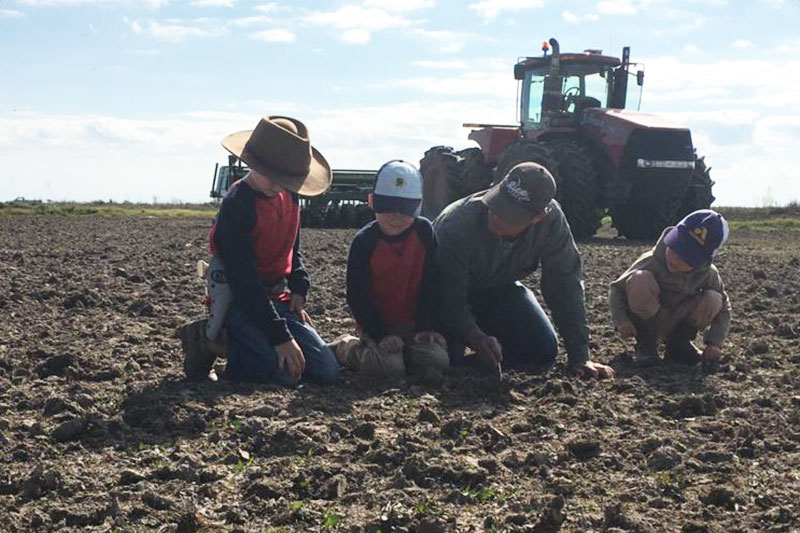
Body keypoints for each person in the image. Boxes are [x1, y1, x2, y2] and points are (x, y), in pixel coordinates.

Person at [179, 115, 339, 385]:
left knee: (326, 371)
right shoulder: (237, 205)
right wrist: (281, 337)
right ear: (252, 163)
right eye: (272, 174)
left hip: (276, 297)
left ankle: (250, 345)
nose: (278, 183)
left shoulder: (290, 196)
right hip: (238, 298)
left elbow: (292, 248)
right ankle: (209, 341)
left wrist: (299, 284)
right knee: (285, 374)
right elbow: (245, 281)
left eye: (285, 178)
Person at [433, 162, 614, 379]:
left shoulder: (551, 223)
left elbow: (565, 283)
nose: (496, 216)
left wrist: (580, 356)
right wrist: (476, 336)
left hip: (499, 292)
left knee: (542, 349)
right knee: (445, 360)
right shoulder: (457, 224)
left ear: (538, 217)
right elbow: (448, 296)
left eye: (508, 215)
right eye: (496, 205)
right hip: (445, 298)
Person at [330, 160, 449, 382]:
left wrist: (427, 327)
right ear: (372, 202)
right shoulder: (364, 242)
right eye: (388, 208)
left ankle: (404, 353)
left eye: (405, 210)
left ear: (418, 207)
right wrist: (380, 334)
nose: (396, 217)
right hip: (378, 323)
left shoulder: (424, 233)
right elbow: (358, 296)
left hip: (413, 324)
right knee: (387, 369)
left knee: (437, 361)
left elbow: (432, 283)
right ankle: (347, 349)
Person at [609, 209, 731, 367]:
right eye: (675, 247)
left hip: (680, 319)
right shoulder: (651, 260)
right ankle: (646, 344)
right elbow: (617, 289)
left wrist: (715, 342)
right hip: (649, 317)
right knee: (640, 279)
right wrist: (622, 320)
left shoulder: (709, 274)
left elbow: (724, 307)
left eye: (687, 257)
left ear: (702, 261)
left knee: (714, 298)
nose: (676, 259)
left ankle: (678, 345)